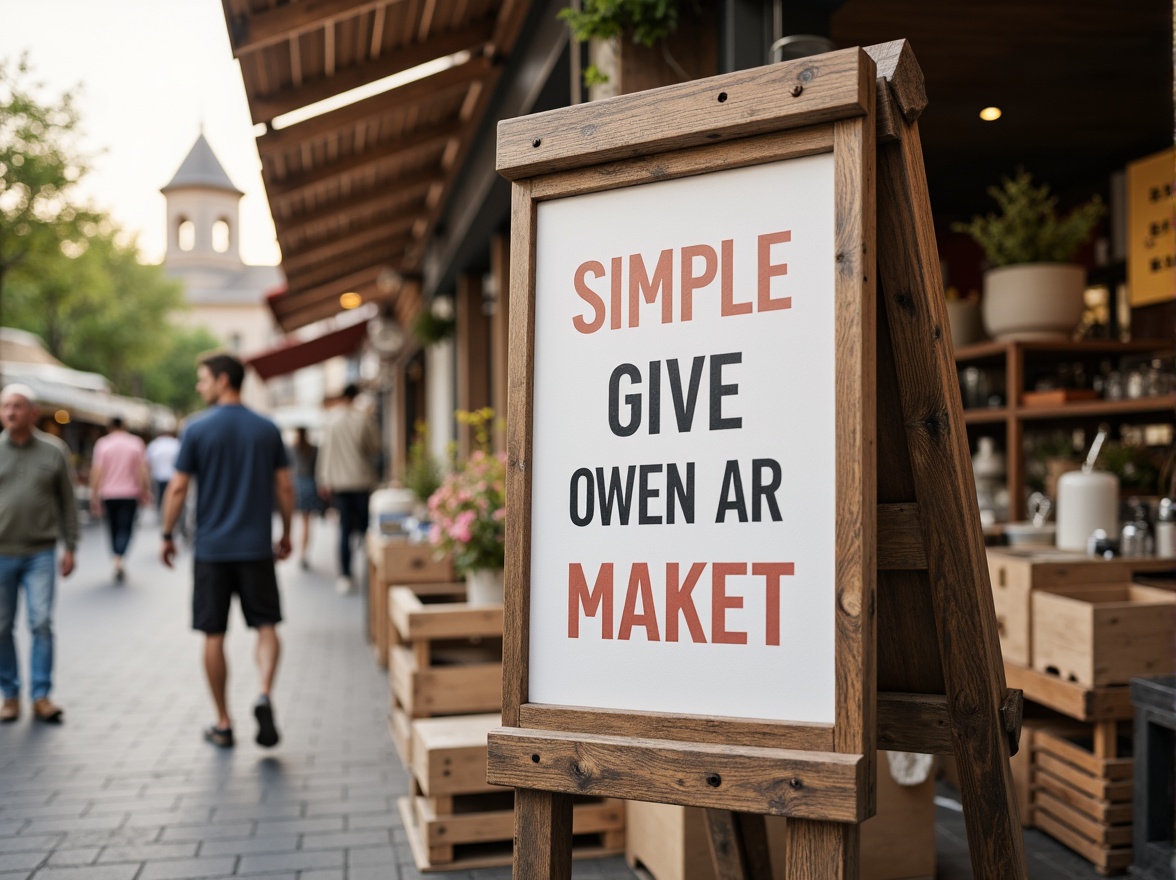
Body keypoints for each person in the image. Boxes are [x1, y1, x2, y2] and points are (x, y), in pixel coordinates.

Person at [161, 353, 293, 749]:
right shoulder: (267, 428)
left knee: (213, 634)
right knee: (266, 626)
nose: (200, 387)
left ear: (222, 381)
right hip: (255, 548)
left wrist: (166, 533)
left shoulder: (196, 429)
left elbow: (179, 487)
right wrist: (286, 532)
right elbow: (284, 487)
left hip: (212, 551)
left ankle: (223, 722)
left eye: (203, 380)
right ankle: (265, 692)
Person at [0, 384, 77, 724]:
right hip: (1, 552)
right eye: (5, 407)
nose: (11, 413)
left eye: (17, 406)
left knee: (41, 622)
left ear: (33, 413)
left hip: (41, 552)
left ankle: (42, 695)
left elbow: (68, 502)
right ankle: (10, 695)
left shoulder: (53, 450)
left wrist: (71, 545)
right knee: (1, 626)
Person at [316, 384, 380, 594]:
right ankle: (372, 573)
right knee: (365, 529)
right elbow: (375, 447)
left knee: (344, 530)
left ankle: (345, 575)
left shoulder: (330, 421)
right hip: (361, 481)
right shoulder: (362, 419)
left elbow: (324, 454)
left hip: (338, 484)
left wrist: (323, 480)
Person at [90, 417, 151, 583]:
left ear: (110, 427)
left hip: (108, 493)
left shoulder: (103, 444)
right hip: (130, 493)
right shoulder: (135, 443)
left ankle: (116, 557)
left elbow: (97, 471)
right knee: (126, 527)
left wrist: (93, 495)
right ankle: (120, 557)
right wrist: (146, 490)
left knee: (113, 528)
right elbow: (142, 469)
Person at [291, 427, 323, 570]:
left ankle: (301, 553)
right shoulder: (314, 449)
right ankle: (304, 553)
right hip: (310, 485)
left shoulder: (292, 449)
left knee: (301, 523)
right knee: (307, 523)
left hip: (297, 485)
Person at [146, 429, 181, 514]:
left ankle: (162, 511)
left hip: (158, 475)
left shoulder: (154, 444)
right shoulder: (176, 444)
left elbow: (148, 462)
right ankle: (169, 511)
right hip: (173, 475)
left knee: (160, 495)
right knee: (171, 495)